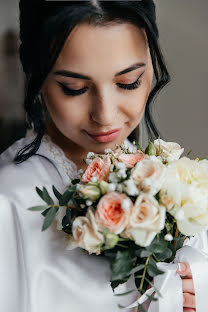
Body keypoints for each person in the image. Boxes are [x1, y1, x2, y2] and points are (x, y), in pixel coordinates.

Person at [0, 1, 206, 311]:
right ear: (37, 76)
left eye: (128, 82)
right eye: (74, 88)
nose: (105, 116)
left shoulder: (174, 182)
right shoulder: (10, 202)